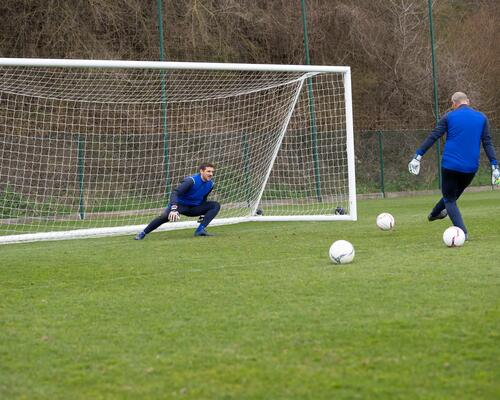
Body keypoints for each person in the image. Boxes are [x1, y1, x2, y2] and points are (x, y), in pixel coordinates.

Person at [408, 92, 500, 239]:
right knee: (451, 196)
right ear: (468, 102)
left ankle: (462, 232)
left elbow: (434, 136)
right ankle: (434, 214)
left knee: (450, 198)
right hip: (470, 168)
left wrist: (417, 156)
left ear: (453, 104)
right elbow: (487, 143)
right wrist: (495, 166)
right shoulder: (482, 118)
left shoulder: (449, 117)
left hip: (450, 165)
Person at [135, 163, 220, 239]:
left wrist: (203, 212)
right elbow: (175, 193)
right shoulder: (191, 181)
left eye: (212, 172)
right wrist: (174, 209)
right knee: (163, 217)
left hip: (194, 208)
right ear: (201, 171)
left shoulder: (211, 184)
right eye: (208, 171)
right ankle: (143, 233)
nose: (211, 174)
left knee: (215, 205)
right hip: (180, 206)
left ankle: (200, 231)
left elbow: (203, 198)